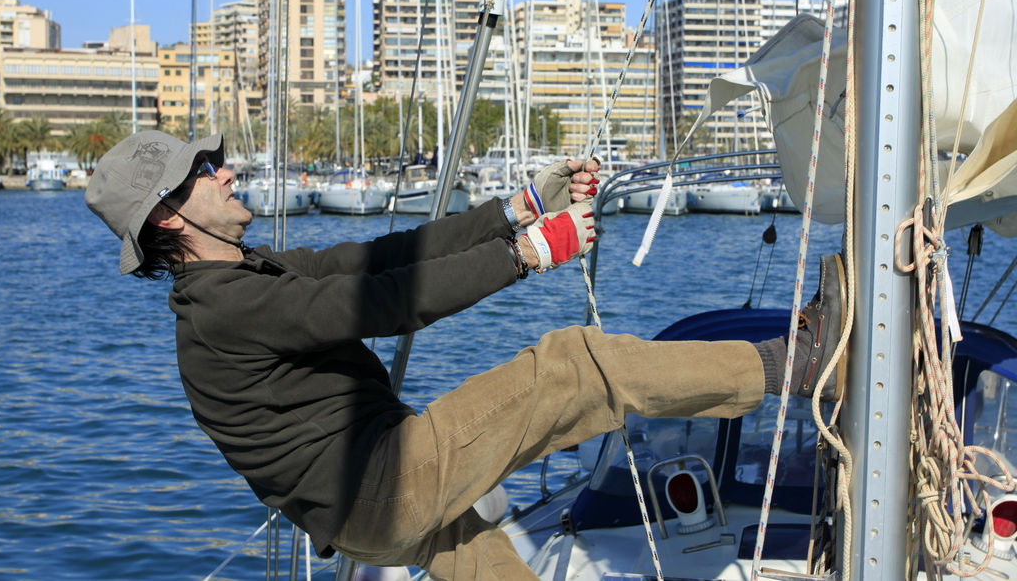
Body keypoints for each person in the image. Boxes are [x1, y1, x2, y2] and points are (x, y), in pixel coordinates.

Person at [85, 130, 847, 580]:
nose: (225, 169)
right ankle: (800, 363)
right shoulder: (228, 307)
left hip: (368, 509)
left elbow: (385, 257)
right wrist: (531, 251)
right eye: (202, 170)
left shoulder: (245, 276)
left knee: (485, 558)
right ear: (168, 214)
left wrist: (517, 207)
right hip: (387, 481)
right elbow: (384, 304)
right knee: (574, 367)